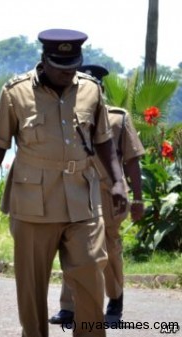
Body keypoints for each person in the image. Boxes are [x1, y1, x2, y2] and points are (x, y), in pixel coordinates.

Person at [0, 29, 128, 337]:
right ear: (44, 61)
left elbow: (104, 140)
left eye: (73, 66)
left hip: (82, 201)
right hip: (34, 204)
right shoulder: (15, 92)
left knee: (90, 273)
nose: (67, 73)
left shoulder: (90, 90)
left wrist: (117, 181)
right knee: (32, 287)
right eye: (60, 67)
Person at [49, 65, 145, 326]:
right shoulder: (66, 117)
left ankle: (115, 300)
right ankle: (69, 307)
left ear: (99, 88)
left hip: (109, 195)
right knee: (71, 247)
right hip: (75, 192)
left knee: (109, 248)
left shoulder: (118, 118)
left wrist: (137, 198)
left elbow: (133, 160)